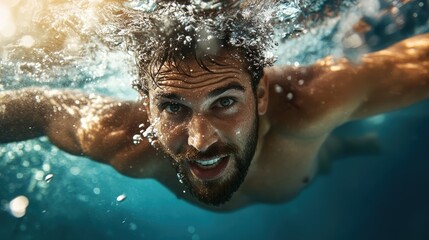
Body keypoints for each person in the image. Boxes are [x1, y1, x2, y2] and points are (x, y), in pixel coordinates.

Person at [1, 1, 428, 211]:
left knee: (332, 151)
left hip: (309, 154)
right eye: (172, 108)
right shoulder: (121, 140)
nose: (200, 141)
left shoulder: (313, 99)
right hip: (294, 167)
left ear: (260, 96)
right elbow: (37, 106)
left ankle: (353, 145)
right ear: (146, 106)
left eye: (224, 101)